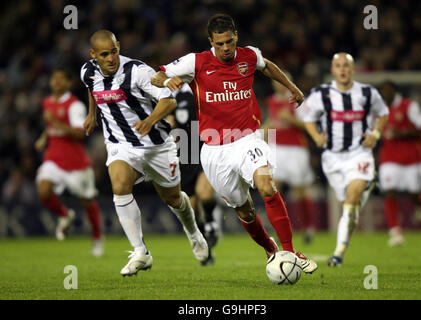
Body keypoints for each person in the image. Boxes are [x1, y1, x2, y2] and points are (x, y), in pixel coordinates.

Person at [151, 13, 317, 274]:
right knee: (246, 211)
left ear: (236, 36)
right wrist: (168, 79)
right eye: (220, 44)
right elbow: (156, 77)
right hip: (215, 150)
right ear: (211, 41)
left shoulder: (249, 55)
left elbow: (267, 65)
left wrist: (291, 86)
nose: (226, 48)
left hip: (248, 138)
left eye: (229, 42)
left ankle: (291, 251)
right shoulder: (195, 62)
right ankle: (271, 251)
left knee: (267, 185)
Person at [80, 30, 208, 276]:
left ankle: (194, 233)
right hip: (121, 145)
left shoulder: (138, 72)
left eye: (114, 51)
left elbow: (169, 101)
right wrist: (91, 114)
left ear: (119, 46)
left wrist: (150, 120)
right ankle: (140, 252)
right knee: (119, 184)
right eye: (104, 54)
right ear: (93, 55)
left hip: (157, 146)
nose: (111, 58)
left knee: (173, 199)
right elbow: (91, 88)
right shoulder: (88, 71)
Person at [301, 53, 389, 267]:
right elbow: (307, 117)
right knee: (349, 207)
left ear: (353, 69)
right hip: (332, 158)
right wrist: (316, 137)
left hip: (359, 154)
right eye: (338, 66)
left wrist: (375, 135)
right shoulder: (321, 94)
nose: (342, 70)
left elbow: (383, 113)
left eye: (346, 66)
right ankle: (369, 183)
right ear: (332, 70)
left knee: (350, 202)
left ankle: (338, 254)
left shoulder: (367, 93)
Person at [34, 68, 104, 257]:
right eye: (53, 79)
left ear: (68, 83)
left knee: (87, 201)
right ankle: (65, 214)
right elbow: (51, 127)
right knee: (43, 190)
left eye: (60, 79)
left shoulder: (75, 106)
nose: (56, 82)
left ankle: (97, 237)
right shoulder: (47, 102)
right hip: (54, 159)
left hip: (75, 162)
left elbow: (80, 134)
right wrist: (44, 137)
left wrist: (55, 123)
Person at [166, 83, 220, 266]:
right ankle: (207, 250)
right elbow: (169, 121)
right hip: (185, 154)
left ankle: (212, 222)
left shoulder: (203, 88)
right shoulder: (169, 95)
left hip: (206, 147)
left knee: (204, 193)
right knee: (192, 208)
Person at [263, 73, 317, 244]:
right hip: (276, 149)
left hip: (295, 149)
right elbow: (272, 122)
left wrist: (290, 119)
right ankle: (280, 230)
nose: (278, 84)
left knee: (300, 191)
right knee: (272, 189)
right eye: (276, 81)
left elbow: (309, 126)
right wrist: (259, 134)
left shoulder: (298, 99)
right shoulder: (271, 100)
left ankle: (308, 227)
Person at [378, 81, 421, 246]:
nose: (385, 94)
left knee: (414, 192)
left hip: (411, 157)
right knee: (389, 192)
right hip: (389, 157)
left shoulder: (409, 106)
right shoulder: (378, 110)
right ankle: (395, 232)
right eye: (382, 91)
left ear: (395, 91)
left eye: (388, 90)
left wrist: (402, 133)